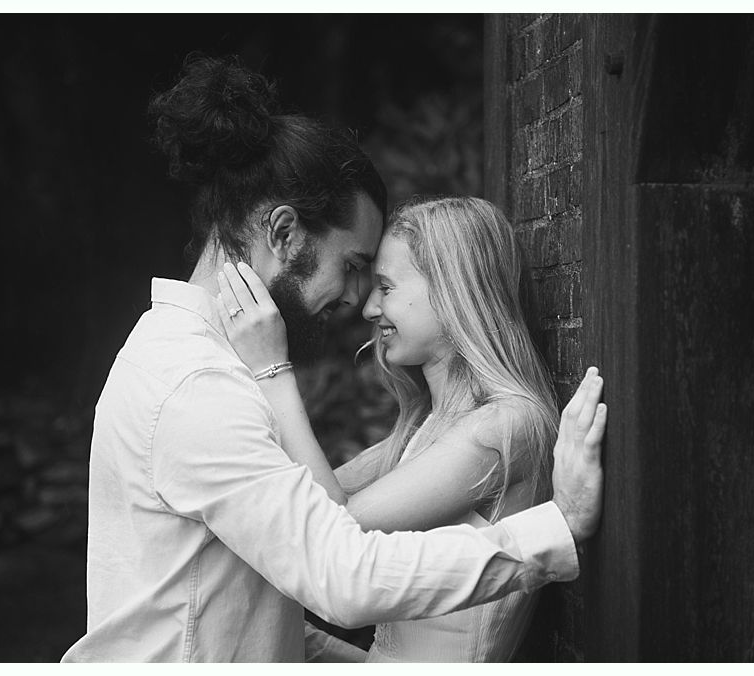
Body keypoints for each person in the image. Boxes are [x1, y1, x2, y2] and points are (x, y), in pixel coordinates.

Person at [61, 55, 605, 663]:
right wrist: (561, 528)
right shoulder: (198, 386)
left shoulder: (194, 363)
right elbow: (343, 576)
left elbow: (248, 601)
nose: (355, 300)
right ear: (285, 233)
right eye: (351, 266)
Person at [221, 196, 588, 661]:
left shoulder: (503, 426)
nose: (370, 309)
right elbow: (302, 497)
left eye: (386, 287)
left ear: (453, 291)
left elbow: (329, 534)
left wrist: (272, 370)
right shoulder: (429, 424)